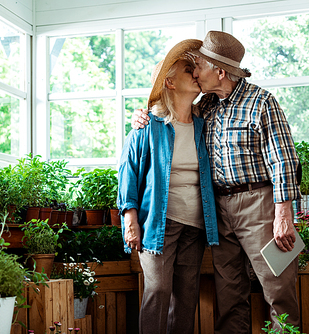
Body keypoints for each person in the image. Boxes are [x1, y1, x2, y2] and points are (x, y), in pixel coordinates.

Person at [132, 31, 301, 333]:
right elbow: (173, 114)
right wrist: (142, 116)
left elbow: (284, 160)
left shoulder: (262, 102)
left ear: (219, 71)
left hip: (260, 205)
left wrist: (283, 215)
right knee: (229, 294)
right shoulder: (206, 106)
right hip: (219, 210)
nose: (195, 71)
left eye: (199, 65)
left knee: (279, 287)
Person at [117, 39, 219, 334]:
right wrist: (131, 221)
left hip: (196, 226)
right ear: (170, 82)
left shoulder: (204, 122)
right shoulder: (147, 127)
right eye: (189, 70)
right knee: (158, 290)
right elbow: (128, 174)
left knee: (186, 299)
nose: (196, 74)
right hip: (158, 224)